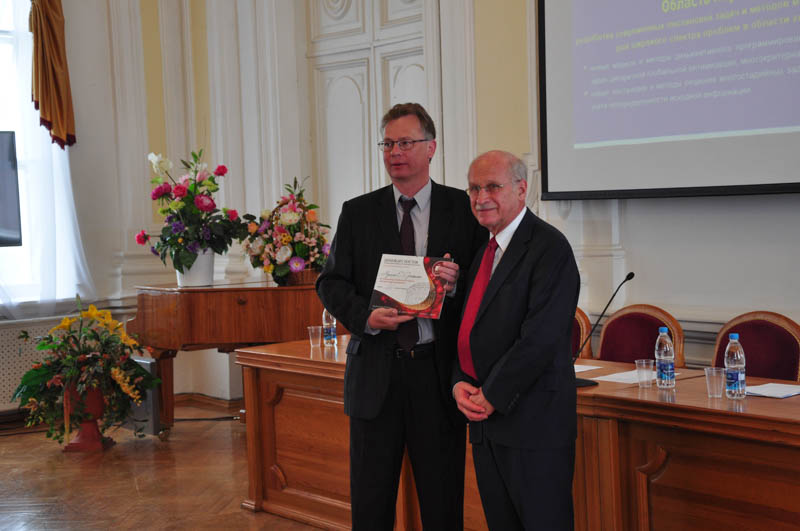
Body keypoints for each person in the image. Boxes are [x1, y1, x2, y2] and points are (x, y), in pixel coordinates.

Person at [316, 103, 486, 530]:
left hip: (437, 376)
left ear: (431, 148)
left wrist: (457, 284)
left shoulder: (463, 209)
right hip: (376, 374)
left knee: (442, 505)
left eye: (406, 142)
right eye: (388, 144)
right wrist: (366, 318)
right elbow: (330, 283)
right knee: (371, 506)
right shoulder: (358, 212)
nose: (395, 152)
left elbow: (487, 285)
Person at [452, 150, 580, 530]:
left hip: (533, 425)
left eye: (492, 187)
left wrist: (491, 394)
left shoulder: (550, 248)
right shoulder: (483, 250)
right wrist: (459, 380)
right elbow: (470, 327)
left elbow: (540, 339)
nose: (481, 198)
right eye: (474, 188)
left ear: (522, 190)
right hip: (486, 423)